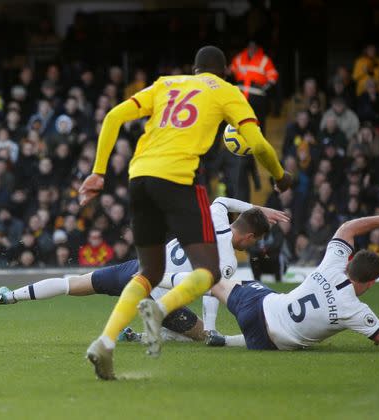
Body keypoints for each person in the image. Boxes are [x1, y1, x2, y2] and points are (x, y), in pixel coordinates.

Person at [79, 45, 292, 378]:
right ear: (223, 73)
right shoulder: (227, 91)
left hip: (139, 177)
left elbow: (112, 117)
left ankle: (105, 342)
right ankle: (160, 307)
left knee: (148, 272)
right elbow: (261, 145)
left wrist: (99, 172)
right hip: (178, 179)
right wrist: (280, 177)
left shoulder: (165, 84)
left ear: (194, 70)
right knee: (209, 272)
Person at [0, 197, 287, 347]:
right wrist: (210, 329)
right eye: (255, 241)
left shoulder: (216, 215)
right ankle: (138, 336)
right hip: (157, 294)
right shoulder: (226, 259)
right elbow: (213, 293)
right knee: (198, 334)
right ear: (250, 238)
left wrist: (257, 207)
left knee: (74, 283)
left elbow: (222, 200)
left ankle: (11, 297)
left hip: (139, 268)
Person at [174, 210, 379, 352]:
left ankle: (162, 289)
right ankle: (220, 339)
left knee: (211, 278)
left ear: (350, 262)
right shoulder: (353, 310)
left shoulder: (332, 265)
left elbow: (348, 226)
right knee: (285, 339)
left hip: (257, 302)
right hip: (265, 340)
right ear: (371, 283)